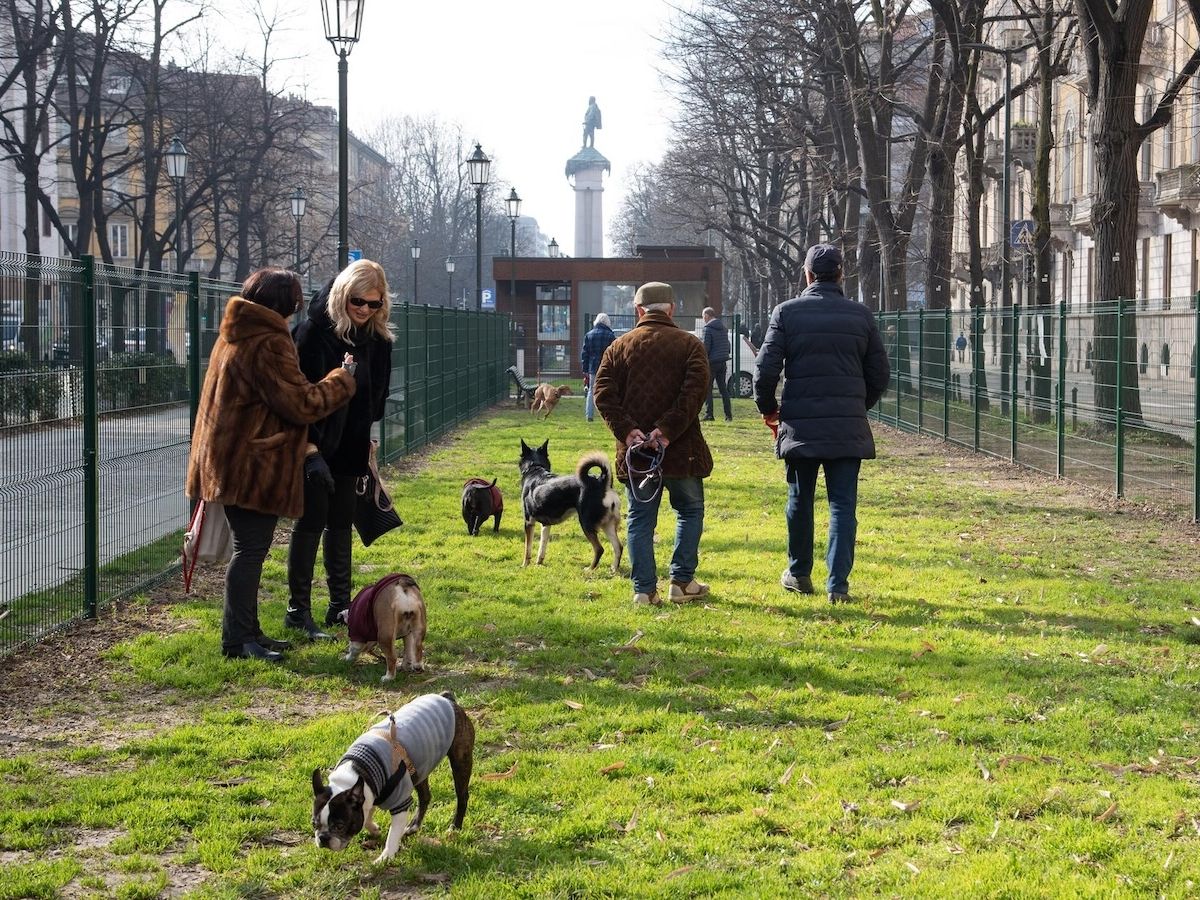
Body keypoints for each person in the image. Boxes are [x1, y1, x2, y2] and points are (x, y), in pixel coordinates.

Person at [186, 268, 357, 662]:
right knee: (250, 551)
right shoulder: (268, 342)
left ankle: (249, 632)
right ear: (285, 306)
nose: (297, 312)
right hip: (251, 464)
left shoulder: (236, 332)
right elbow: (300, 403)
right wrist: (342, 379)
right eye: (294, 305)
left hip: (228, 459)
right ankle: (237, 641)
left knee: (250, 550)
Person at [753, 244, 890, 604]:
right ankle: (838, 585)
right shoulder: (861, 316)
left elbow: (765, 372)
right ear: (842, 274)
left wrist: (769, 410)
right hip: (847, 427)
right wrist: (857, 406)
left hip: (800, 425)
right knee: (843, 505)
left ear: (808, 274)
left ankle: (799, 573)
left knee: (800, 498)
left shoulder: (786, 313)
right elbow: (879, 375)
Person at [285, 259, 395, 639]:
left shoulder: (378, 341)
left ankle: (340, 606)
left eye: (374, 304)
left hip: (353, 443)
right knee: (311, 522)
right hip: (314, 444)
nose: (365, 310)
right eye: (358, 302)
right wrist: (310, 449)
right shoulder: (313, 333)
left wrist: (366, 440)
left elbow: (376, 398)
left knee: (341, 524)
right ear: (342, 296)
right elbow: (299, 396)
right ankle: (297, 610)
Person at [593, 282, 713, 607]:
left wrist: (628, 430)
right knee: (689, 511)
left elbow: (602, 393)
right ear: (671, 309)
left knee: (640, 518)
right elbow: (694, 394)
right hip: (681, 450)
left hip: (637, 456)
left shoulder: (618, 347)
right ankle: (682, 581)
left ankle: (644, 590)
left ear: (638, 310)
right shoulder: (690, 345)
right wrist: (666, 430)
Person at [580, 312, 617, 422]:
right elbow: (614, 354)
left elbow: (584, 354)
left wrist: (585, 370)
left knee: (591, 390)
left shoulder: (589, 335)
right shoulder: (610, 336)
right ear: (607, 322)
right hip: (607, 367)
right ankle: (606, 416)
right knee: (607, 390)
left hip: (593, 368)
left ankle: (589, 415)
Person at [701, 307, 733, 422]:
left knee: (707, 388)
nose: (703, 318)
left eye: (703, 316)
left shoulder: (707, 329)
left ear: (707, 315)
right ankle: (728, 415)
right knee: (723, 389)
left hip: (711, 362)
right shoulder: (723, 328)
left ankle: (709, 414)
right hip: (722, 361)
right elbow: (727, 345)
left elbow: (705, 347)